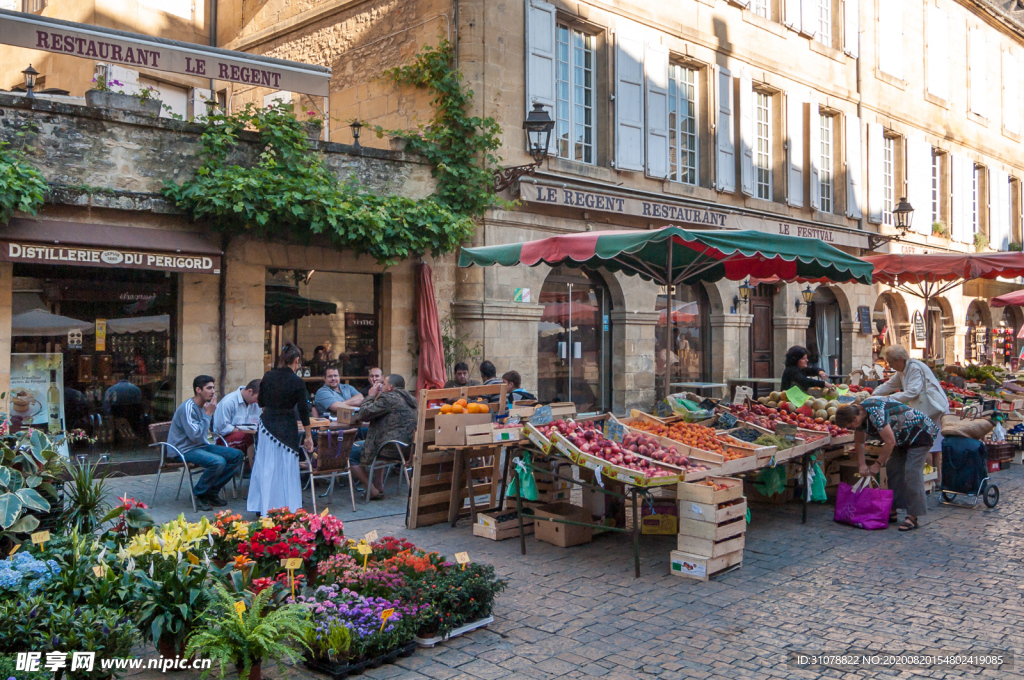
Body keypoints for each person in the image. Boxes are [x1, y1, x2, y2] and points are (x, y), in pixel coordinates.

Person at [836, 398, 938, 532]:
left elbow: (890, 442)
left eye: (850, 426)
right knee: (893, 468)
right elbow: (859, 442)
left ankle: (913, 516)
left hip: (921, 433)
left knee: (912, 472)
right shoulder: (859, 416)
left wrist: (877, 464)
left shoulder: (875, 414)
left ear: (855, 418)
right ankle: (893, 509)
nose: (851, 429)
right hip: (901, 437)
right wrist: (862, 464)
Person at [247, 344, 313, 515]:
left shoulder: (268, 376)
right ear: (296, 361)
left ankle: (263, 506)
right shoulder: (297, 382)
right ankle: (286, 505)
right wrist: (308, 436)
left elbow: (261, 402)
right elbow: (304, 411)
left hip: (267, 425)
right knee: (285, 467)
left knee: (266, 465)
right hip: (287, 426)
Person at [872, 344, 949, 480]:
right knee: (934, 446)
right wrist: (873, 395)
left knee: (927, 445)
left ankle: (929, 479)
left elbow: (913, 392)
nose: (890, 365)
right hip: (930, 409)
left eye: (891, 362)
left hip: (931, 408)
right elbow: (889, 385)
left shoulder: (913, 368)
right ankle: (937, 480)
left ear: (900, 360)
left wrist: (887, 399)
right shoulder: (903, 370)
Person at [167, 375, 244, 512]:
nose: (213, 391)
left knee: (237, 455)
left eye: (213, 388)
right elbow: (195, 436)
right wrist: (208, 414)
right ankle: (198, 494)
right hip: (183, 450)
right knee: (218, 462)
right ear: (198, 390)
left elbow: (204, 434)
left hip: (201, 446)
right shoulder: (188, 408)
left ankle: (211, 491)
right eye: (209, 388)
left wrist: (208, 414)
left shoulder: (205, 406)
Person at [350, 374, 417, 500]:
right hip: (407, 448)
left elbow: (363, 414)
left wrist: (370, 395)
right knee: (378, 441)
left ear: (390, 387)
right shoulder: (412, 400)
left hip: (389, 448)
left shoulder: (388, 398)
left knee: (351, 452)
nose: (381, 386)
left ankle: (372, 490)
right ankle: (379, 487)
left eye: (384, 384)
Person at [213, 379, 262, 452]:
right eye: (257, 398)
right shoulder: (228, 402)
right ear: (250, 391)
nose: (257, 402)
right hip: (224, 438)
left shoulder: (256, 404)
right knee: (250, 437)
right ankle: (253, 459)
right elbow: (222, 429)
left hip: (249, 434)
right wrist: (244, 431)